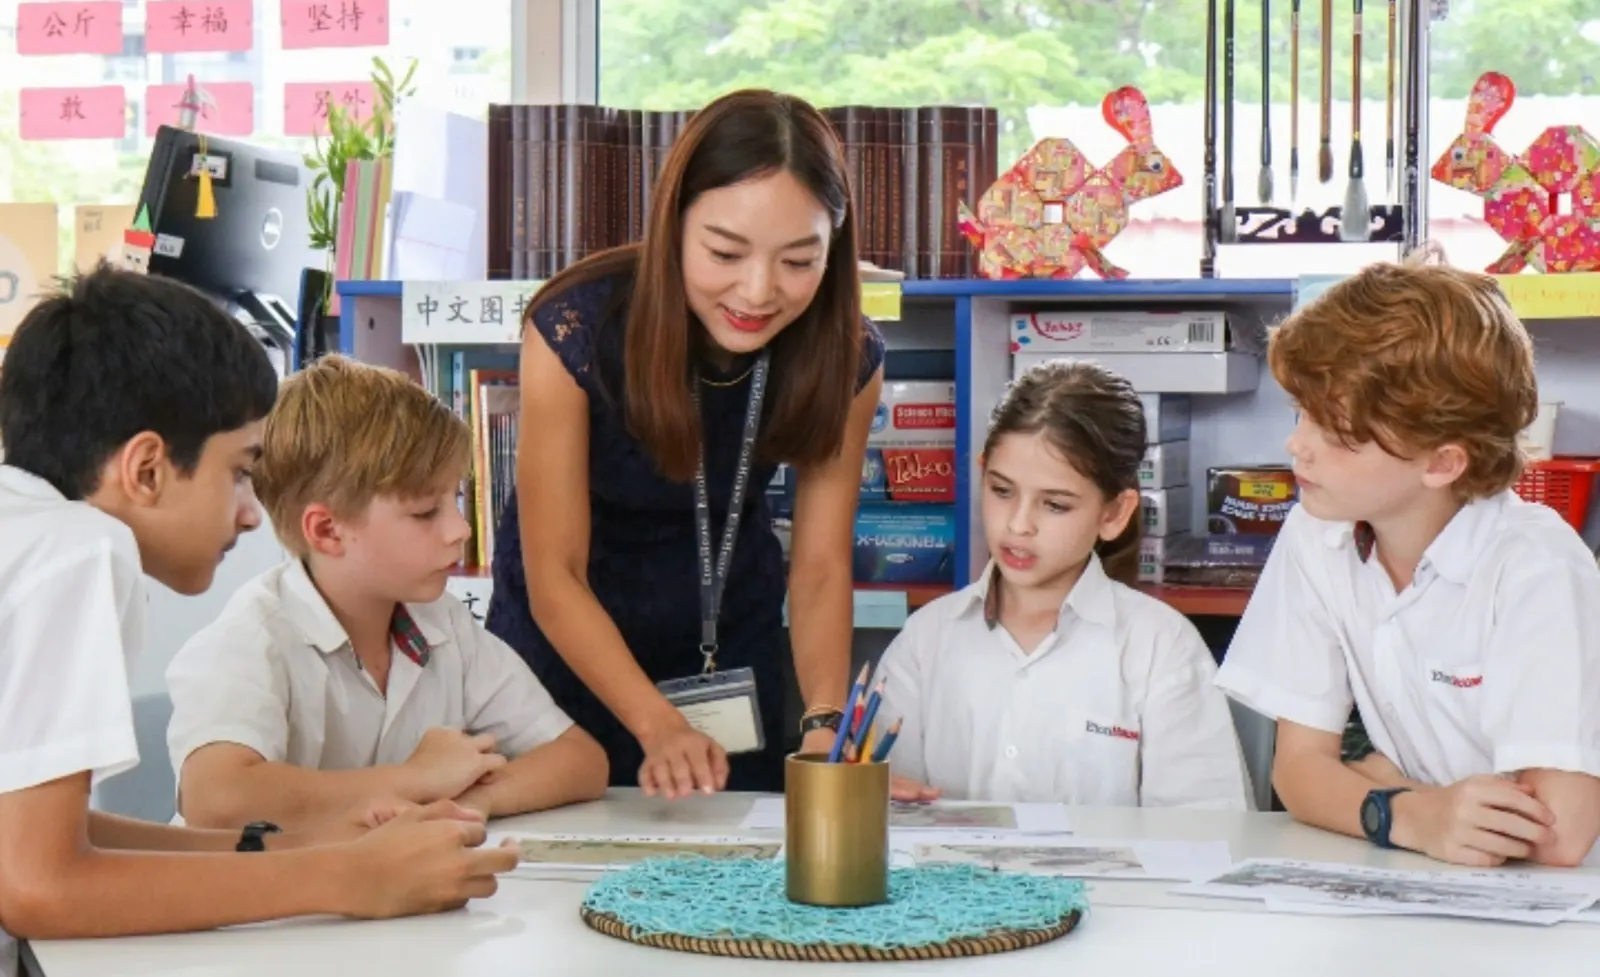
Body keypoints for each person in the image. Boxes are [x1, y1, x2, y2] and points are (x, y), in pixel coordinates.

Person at [0, 268, 515, 977]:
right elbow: (38, 885)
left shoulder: (25, 528)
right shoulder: (80, 550)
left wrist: (309, 848)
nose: (250, 513)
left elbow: (39, 838)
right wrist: (349, 878)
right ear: (146, 469)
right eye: (241, 472)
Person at [486, 89, 884, 798]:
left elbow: (821, 566)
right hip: (569, 650)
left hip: (727, 647)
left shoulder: (846, 355)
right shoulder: (576, 328)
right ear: (673, 224)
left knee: (736, 851)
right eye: (725, 252)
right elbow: (556, 574)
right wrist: (658, 724)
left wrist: (826, 723)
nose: (758, 292)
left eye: (799, 261)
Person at [1215, 254, 1600, 868]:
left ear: (1442, 463)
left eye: (1338, 434)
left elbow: (1562, 832)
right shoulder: (1319, 528)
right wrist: (1413, 813)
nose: (1297, 445)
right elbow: (1298, 771)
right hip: (1433, 865)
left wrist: (1383, 788)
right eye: (1301, 413)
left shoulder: (1538, 566)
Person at [165, 355, 609, 832]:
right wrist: (413, 780)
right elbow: (216, 798)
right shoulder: (251, 639)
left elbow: (581, 760)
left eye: (456, 499)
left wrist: (467, 803)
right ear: (327, 531)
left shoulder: (442, 622)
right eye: (425, 512)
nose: (460, 530)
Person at [879, 361, 1253, 810]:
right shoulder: (925, 639)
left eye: (1055, 505)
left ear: (1114, 513)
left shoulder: (1161, 648)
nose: (1019, 524)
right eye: (1002, 491)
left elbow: (1207, 829)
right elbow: (891, 813)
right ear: (982, 473)